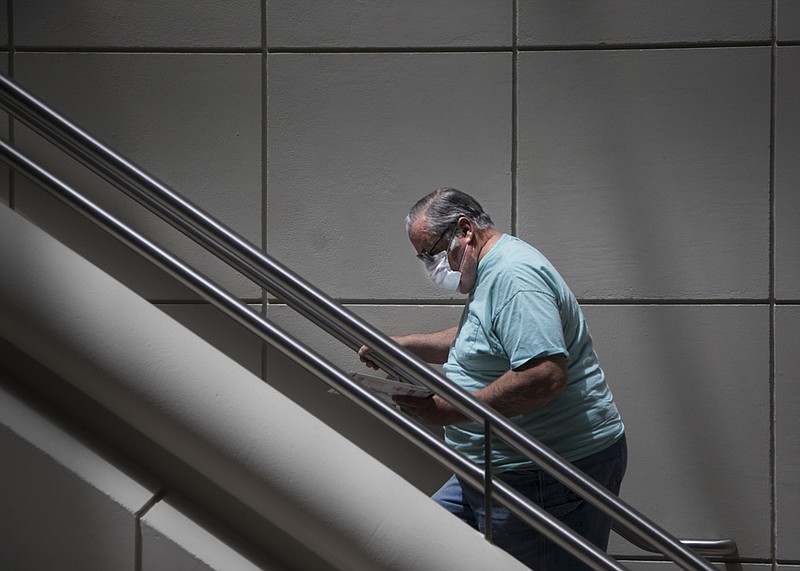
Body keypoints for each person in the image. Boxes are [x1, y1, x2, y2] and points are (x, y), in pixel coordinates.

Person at [358, 188, 626, 570]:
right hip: (490, 468)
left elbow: (544, 376)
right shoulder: (492, 269)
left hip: (542, 473)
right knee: (419, 546)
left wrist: (447, 411)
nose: (431, 266)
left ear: (464, 229)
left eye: (431, 253)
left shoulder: (513, 276)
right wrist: (405, 347)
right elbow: (481, 337)